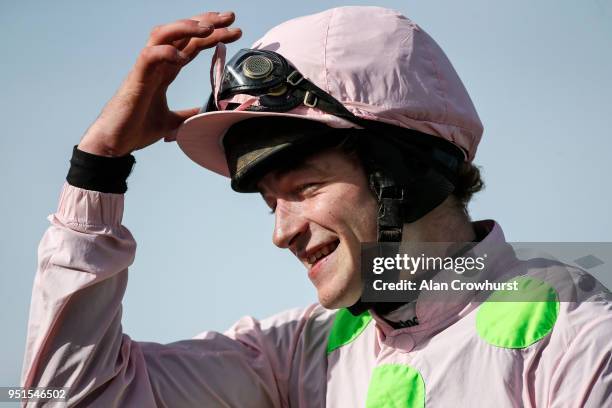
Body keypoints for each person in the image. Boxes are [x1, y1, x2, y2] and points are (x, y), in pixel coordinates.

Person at [21, 6, 612, 407]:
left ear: (407, 170)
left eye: (304, 189)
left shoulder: (581, 340)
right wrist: (98, 166)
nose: (282, 233)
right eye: (268, 202)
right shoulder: (300, 349)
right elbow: (69, 394)